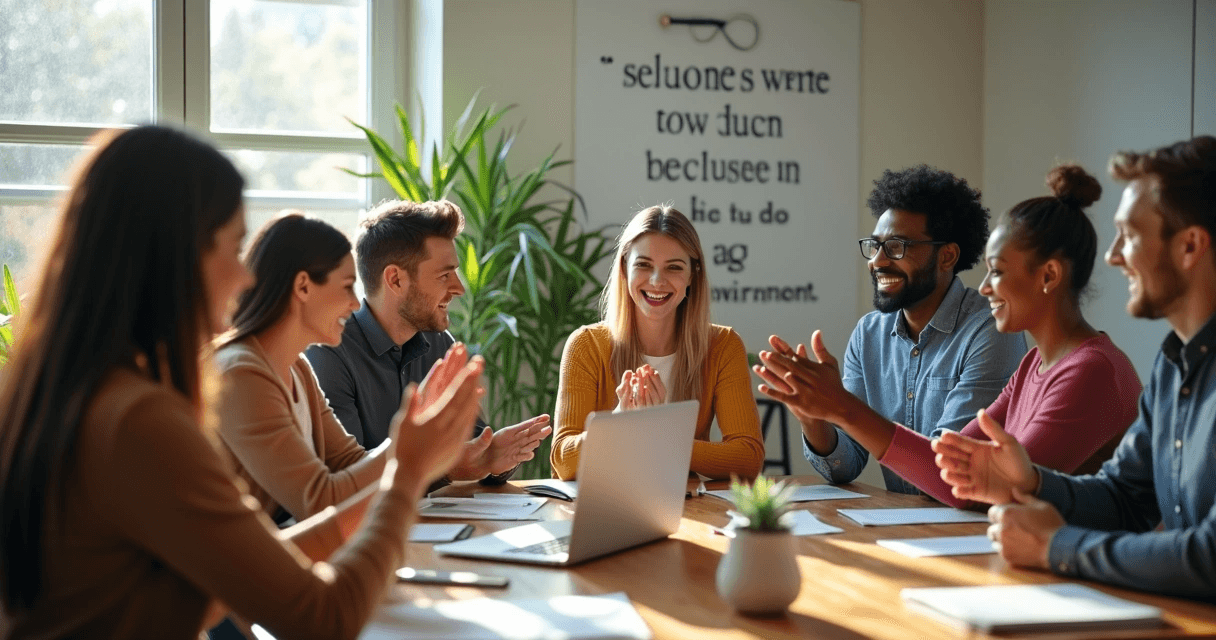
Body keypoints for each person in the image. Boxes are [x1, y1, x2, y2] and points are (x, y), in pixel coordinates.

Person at [0, 125, 482, 638]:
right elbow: (323, 617)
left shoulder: (67, 392)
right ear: (174, 255)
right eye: (232, 248)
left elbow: (248, 564)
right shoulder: (140, 419)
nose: (246, 277)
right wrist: (406, 475)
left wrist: (408, 466)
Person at [934, 136, 1216, 600]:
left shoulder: (1107, 365)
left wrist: (1057, 546)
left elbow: (1209, 558)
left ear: (1189, 247)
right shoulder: (1172, 365)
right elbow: (1125, 498)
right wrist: (1031, 481)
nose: (1114, 256)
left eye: (1130, 235)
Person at [761, 165, 1141, 507]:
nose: (986, 289)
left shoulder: (1091, 370)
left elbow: (986, 486)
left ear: (1048, 277)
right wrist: (822, 410)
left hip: (1091, 578)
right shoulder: (1034, 366)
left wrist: (840, 406)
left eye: (997, 272)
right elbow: (956, 465)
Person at [754, 165, 1028, 494]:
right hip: (902, 529)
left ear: (947, 256)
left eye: (897, 246)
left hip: (974, 531)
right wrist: (813, 415)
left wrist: (840, 405)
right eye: (875, 245)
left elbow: (952, 473)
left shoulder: (991, 330)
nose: (878, 261)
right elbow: (845, 464)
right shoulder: (869, 334)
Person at [306, 200, 550, 488]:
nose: (459, 288)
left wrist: (492, 458)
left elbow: (471, 445)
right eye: (444, 275)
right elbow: (348, 478)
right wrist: (445, 470)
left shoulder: (439, 343)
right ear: (395, 280)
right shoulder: (329, 352)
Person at [550, 205, 765, 480]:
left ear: (692, 275)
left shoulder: (723, 345)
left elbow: (748, 458)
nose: (656, 281)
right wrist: (619, 422)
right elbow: (563, 462)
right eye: (643, 265)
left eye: (674, 267)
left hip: (686, 509)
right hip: (601, 506)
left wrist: (661, 434)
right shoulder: (586, 345)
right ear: (625, 269)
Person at [215, 212, 399, 524]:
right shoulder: (240, 372)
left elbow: (346, 462)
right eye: (346, 286)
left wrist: (441, 454)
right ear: (303, 286)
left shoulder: (297, 367)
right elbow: (318, 501)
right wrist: (406, 447)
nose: (356, 305)